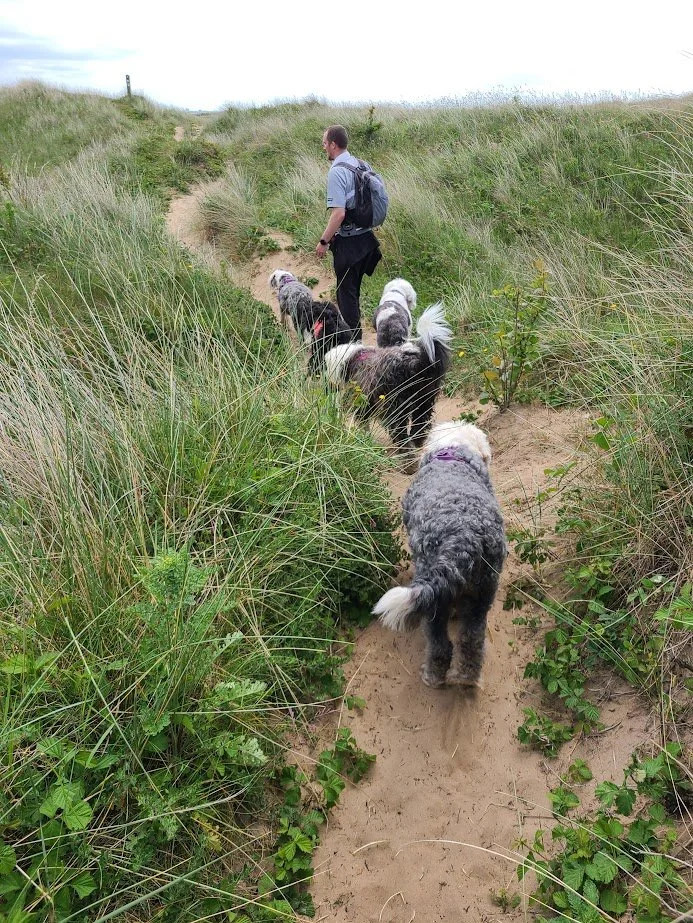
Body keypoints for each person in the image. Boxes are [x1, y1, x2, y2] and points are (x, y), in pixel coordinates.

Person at [315, 125, 382, 341]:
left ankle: (354, 349)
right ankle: (355, 342)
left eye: (325, 143)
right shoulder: (361, 164)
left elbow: (338, 214)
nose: (324, 147)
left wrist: (324, 241)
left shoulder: (337, 171)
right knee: (353, 293)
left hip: (350, 246)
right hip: (367, 241)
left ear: (333, 144)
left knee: (346, 298)